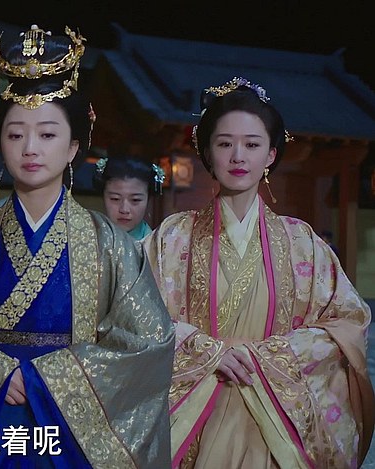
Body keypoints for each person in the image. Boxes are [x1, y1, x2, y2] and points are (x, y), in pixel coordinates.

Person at [0, 25, 174, 468]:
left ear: (74, 147)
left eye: (47, 135)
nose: (30, 148)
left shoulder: (110, 246)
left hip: (71, 434)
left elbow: (146, 343)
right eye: (15, 135)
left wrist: (50, 380)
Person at [143, 77, 374, 468]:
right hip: (193, 412)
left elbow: (347, 322)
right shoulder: (171, 237)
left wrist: (266, 357)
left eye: (252, 145)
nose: (238, 156)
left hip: (273, 416)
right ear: (207, 152)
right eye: (224, 144)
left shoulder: (302, 242)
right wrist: (203, 349)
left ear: (270, 154)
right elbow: (135, 317)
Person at [92, 155, 164, 240]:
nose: (124, 210)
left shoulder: (156, 246)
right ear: (103, 196)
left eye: (135, 200)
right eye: (115, 199)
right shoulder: (89, 239)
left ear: (148, 199)